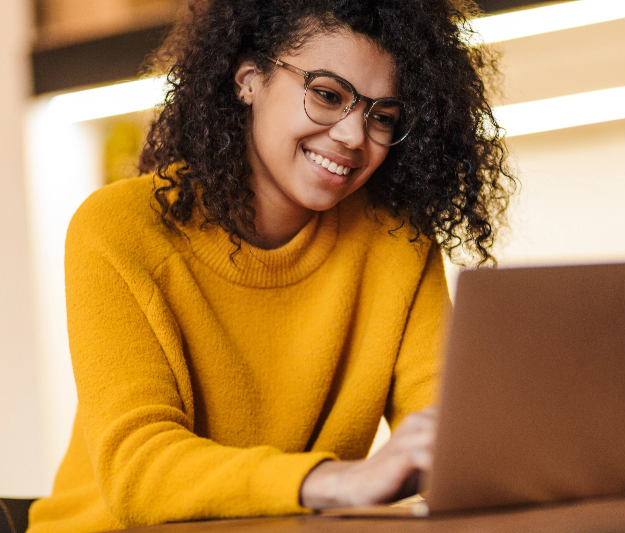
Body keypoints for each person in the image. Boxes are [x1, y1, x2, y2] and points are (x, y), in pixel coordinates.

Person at [28, 0, 514, 531]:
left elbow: (447, 430)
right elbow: (138, 470)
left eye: (383, 117)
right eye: (328, 95)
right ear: (249, 80)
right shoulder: (119, 229)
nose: (354, 137)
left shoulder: (396, 242)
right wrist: (335, 482)